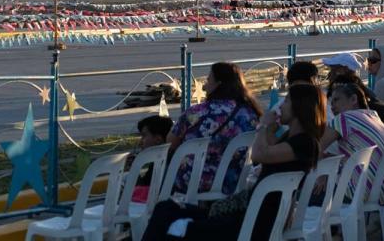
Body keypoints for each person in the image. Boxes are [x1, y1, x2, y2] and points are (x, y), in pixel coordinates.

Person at [142, 85, 323, 241]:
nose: (281, 106)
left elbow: (260, 154)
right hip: (249, 214)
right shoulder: (294, 139)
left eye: (287, 102)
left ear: (300, 107)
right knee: (165, 208)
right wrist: (269, 129)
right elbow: (269, 150)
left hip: (254, 221)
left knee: (174, 225)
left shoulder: (305, 143)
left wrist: (263, 127)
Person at [167, 62, 261, 196]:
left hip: (193, 182)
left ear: (218, 84)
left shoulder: (196, 112)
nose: (204, 85)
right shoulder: (250, 113)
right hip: (234, 181)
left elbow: (170, 142)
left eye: (208, 79)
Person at [321, 82, 384, 200]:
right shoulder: (373, 116)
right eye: (331, 102)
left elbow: (315, 148)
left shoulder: (344, 118)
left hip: (360, 192)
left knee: (301, 193)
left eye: (337, 100)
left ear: (354, 99)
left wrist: (322, 173)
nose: (332, 106)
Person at [129, 115, 173, 201]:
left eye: (144, 136)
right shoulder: (173, 158)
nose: (140, 142)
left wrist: (134, 168)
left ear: (158, 139)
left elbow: (141, 190)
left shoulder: (158, 164)